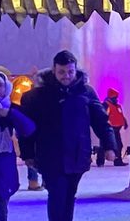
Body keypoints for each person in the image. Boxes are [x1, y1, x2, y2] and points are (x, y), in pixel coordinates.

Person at [17, 51, 111, 221]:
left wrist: (110, 145)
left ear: (76, 70)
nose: (66, 76)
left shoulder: (86, 92)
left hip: (78, 154)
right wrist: (28, 153)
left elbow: (100, 120)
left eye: (70, 72)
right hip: (51, 155)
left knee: (69, 194)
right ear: (54, 71)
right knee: (57, 194)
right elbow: (27, 128)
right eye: (61, 72)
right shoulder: (38, 96)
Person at [0, 66, 35, 221]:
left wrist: (8, 114)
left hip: (3, 160)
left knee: (1, 199)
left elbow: (28, 128)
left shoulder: (10, 107)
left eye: (0, 85)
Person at [94, 88, 127, 167]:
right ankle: (100, 161)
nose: (116, 99)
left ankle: (118, 160)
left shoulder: (117, 106)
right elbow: (103, 116)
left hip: (117, 129)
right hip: (109, 128)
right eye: (115, 97)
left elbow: (120, 115)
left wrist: (125, 122)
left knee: (119, 145)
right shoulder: (106, 105)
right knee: (104, 145)